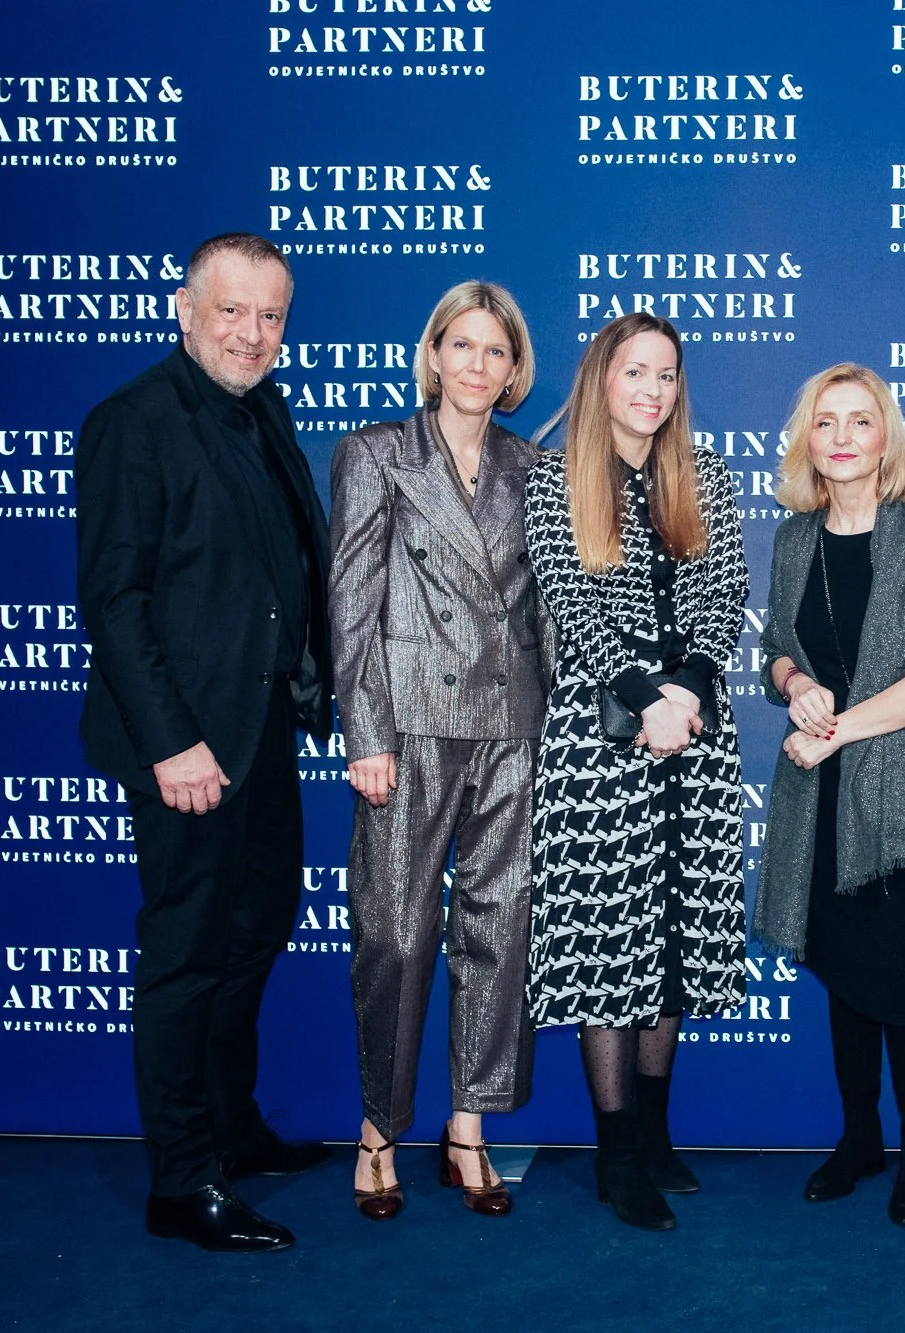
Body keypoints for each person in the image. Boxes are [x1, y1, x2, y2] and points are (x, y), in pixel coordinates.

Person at [75, 233, 332, 1252]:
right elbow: (114, 599)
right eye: (232, 311)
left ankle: (231, 1125)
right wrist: (172, 742)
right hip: (188, 743)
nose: (253, 333)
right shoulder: (134, 422)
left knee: (258, 925)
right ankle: (181, 1180)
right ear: (186, 309)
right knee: (184, 953)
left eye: (271, 315)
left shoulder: (260, 409)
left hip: (262, 725)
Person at [522, 312, 749, 1232]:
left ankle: (655, 1138)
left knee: (674, 941)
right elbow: (569, 602)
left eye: (665, 375)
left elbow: (722, 591)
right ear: (601, 380)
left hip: (693, 733)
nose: (651, 390)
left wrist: (686, 692)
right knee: (610, 942)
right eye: (634, 372)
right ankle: (617, 1158)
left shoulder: (706, 478)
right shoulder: (552, 479)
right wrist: (643, 697)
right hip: (597, 733)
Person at [328, 281, 549, 1221]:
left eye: (495, 352)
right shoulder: (376, 453)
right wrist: (366, 733)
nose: (476, 365)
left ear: (512, 372)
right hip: (409, 725)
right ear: (432, 355)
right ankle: (380, 1127)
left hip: (511, 726)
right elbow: (351, 602)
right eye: (461, 345)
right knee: (394, 932)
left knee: (498, 933)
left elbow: (543, 608)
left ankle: (469, 1129)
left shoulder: (532, 465)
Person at [752, 364, 905, 1226]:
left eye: (860, 421)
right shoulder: (794, 538)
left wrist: (835, 728)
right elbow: (775, 646)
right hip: (821, 788)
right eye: (826, 422)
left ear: (887, 439)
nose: (842, 436)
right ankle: (859, 1138)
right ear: (808, 439)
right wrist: (793, 678)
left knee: (904, 982)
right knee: (844, 972)